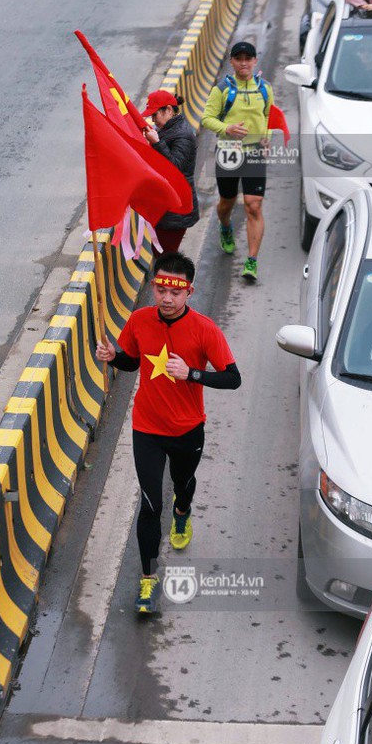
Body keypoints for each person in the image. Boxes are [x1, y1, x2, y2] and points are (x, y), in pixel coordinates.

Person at [96, 252, 241, 614]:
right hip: (147, 427)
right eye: (161, 289)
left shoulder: (206, 330)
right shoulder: (140, 320)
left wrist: (191, 373)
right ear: (154, 287)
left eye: (175, 292)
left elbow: (232, 378)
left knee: (181, 485)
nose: (166, 298)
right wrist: (112, 356)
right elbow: (132, 362)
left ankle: (183, 509)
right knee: (149, 505)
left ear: (188, 292)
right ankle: (148, 581)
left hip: (188, 429)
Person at [201, 41, 274, 282]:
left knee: (254, 205)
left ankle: (251, 261)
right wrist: (227, 128)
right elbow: (207, 119)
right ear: (231, 61)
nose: (244, 62)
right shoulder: (222, 89)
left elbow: (269, 117)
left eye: (248, 58)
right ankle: (225, 225)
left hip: (253, 151)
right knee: (227, 202)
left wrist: (267, 138)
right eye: (239, 58)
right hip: (229, 150)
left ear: (255, 61)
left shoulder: (264, 89)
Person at [141, 90, 199, 254]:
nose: (153, 121)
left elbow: (174, 169)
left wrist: (157, 143)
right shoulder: (169, 129)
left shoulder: (183, 135)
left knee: (165, 255)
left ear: (168, 109)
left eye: (155, 115)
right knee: (162, 252)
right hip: (167, 205)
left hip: (177, 208)